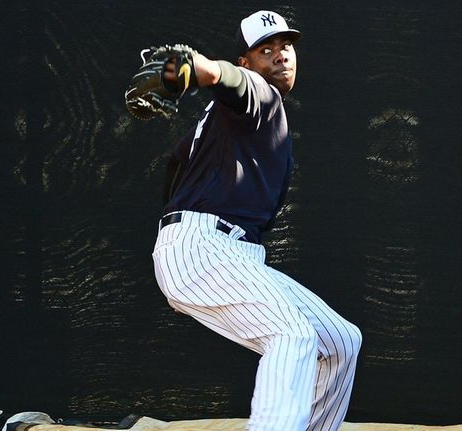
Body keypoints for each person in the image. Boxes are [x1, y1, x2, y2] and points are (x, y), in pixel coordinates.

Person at [151, 10, 362, 431]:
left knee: (341, 342)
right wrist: (198, 66)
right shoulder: (258, 94)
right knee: (292, 335)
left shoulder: (230, 122)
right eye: (266, 50)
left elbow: (175, 167)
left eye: (286, 47)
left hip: (223, 253)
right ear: (248, 62)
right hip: (205, 247)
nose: (281, 56)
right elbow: (226, 77)